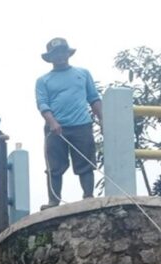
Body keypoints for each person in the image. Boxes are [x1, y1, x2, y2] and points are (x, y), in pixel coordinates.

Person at [35, 37, 102, 207]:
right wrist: (52, 122)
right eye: (55, 53)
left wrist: (103, 121)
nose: (60, 56)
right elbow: (43, 104)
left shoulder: (83, 73)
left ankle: (88, 196)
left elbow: (93, 98)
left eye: (62, 52)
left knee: (85, 163)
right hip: (55, 128)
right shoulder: (43, 80)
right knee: (54, 167)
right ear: (50, 57)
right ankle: (53, 200)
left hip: (81, 125)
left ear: (68, 53)